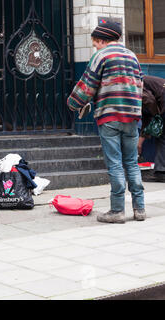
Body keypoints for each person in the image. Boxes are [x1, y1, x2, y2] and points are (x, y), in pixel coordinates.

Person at [67, 21, 146, 223]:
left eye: (96, 43)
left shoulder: (101, 56)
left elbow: (87, 85)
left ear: (102, 40)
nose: (96, 47)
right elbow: (141, 85)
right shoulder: (133, 56)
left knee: (115, 164)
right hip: (132, 116)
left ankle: (117, 210)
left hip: (110, 116)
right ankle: (140, 209)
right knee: (132, 162)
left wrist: (73, 103)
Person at [138, 75, 165, 182]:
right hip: (162, 102)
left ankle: (161, 172)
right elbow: (146, 119)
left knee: (162, 136)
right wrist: (140, 141)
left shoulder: (136, 82)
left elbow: (149, 100)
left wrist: (156, 116)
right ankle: (161, 171)